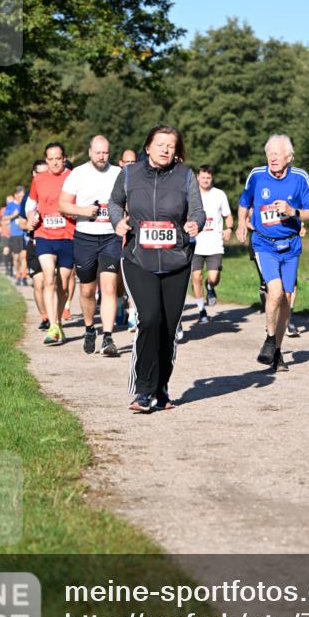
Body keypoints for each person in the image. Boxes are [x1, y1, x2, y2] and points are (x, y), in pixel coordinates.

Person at [108, 125, 205, 413]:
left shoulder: (185, 176)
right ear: (148, 146)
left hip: (176, 260)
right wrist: (118, 222)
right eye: (160, 144)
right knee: (149, 319)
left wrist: (194, 223)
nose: (165, 149)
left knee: (168, 327)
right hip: (139, 258)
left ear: (177, 151)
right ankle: (143, 390)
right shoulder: (129, 174)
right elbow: (115, 203)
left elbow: (197, 210)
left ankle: (161, 388)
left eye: (171, 146)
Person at [237, 134, 309, 372]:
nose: (272, 157)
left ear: (289, 156)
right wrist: (241, 224)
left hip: (291, 246)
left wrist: (293, 211)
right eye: (269, 153)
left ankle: (277, 350)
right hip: (264, 244)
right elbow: (244, 202)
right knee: (274, 292)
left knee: (286, 299)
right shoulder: (256, 175)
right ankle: (270, 340)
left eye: (277, 153)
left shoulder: (300, 178)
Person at [59, 135, 122, 357]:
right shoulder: (78, 174)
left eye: (105, 152)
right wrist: (84, 211)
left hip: (111, 237)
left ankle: (108, 337)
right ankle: (89, 329)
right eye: (98, 152)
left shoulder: (118, 174)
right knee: (87, 289)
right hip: (85, 237)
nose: (102, 156)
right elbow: (62, 204)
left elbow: (129, 202)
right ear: (90, 152)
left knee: (109, 287)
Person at [26, 142, 75, 344]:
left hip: (68, 235)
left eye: (58, 158)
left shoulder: (73, 177)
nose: (54, 162)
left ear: (64, 158)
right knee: (48, 278)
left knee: (63, 285)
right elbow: (30, 204)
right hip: (44, 234)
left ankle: (59, 322)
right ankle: (53, 326)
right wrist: (31, 216)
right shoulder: (39, 179)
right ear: (46, 160)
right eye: (51, 159)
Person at [190, 165, 233, 325]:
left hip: (215, 244)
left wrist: (229, 229)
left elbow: (228, 215)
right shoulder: (191, 195)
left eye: (208, 177)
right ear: (197, 178)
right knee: (196, 277)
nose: (205, 180)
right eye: (202, 177)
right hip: (196, 244)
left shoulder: (219, 195)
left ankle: (210, 286)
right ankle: (202, 311)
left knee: (213, 277)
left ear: (211, 178)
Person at [18, 160, 49, 329]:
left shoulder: (56, 191)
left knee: (53, 282)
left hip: (53, 242)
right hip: (34, 242)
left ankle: (55, 316)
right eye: (41, 173)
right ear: (34, 174)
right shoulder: (28, 198)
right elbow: (21, 223)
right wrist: (28, 225)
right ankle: (45, 317)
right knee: (39, 283)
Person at [116, 148, 138, 329]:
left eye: (133, 162)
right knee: (115, 278)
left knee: (132, 272)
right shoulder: (114, 179)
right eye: (127, 162)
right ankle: (119, 302)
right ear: (120, 163)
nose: (130, 166)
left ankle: (132, 312)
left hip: (131, 235)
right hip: (112, 235)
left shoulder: (140, 180)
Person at [4, 187, 27, 285]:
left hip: (24, 234)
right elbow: (4, 218)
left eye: (23, 196)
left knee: (24, 257)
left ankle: (24, 277)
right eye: (20, 196)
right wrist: (14, 215)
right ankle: (18, 276)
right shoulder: (11, 205)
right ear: (15, 195)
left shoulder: (26, 204)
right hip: (15, 234)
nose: (22, 198)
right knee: (16, 258)